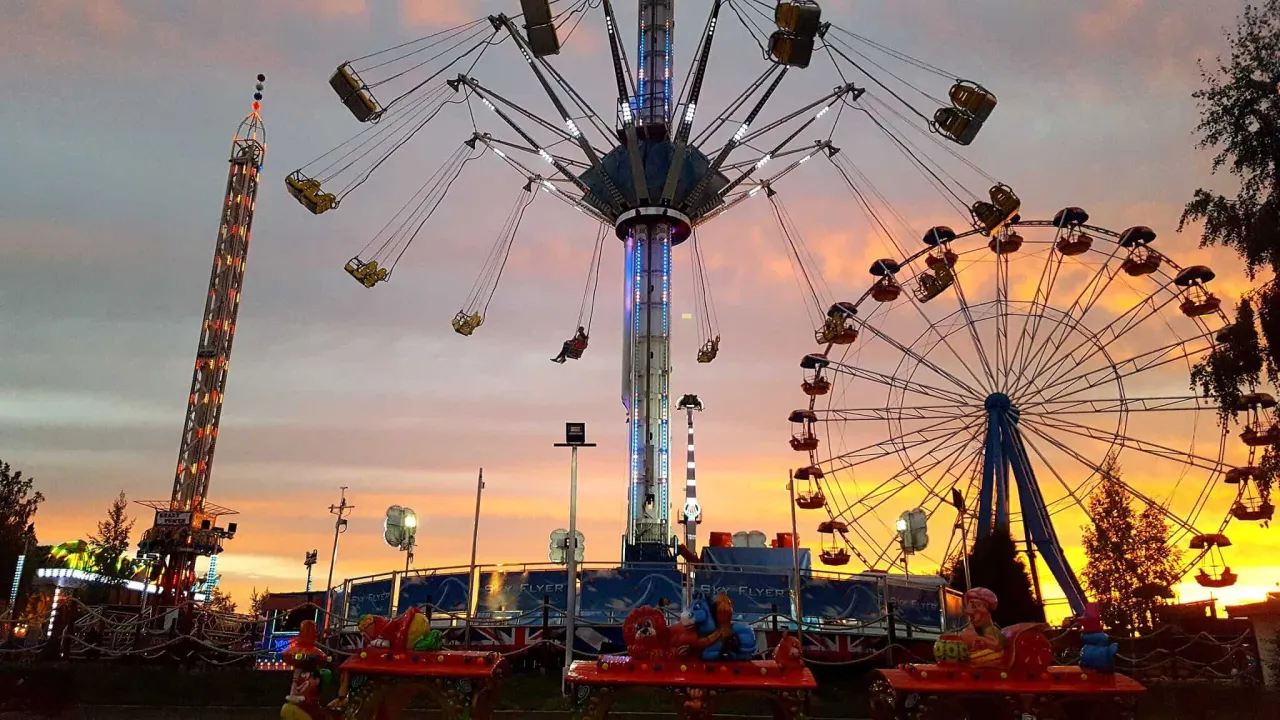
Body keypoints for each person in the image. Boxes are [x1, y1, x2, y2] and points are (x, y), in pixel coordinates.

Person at [957, 586, 1005, 664]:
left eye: (974, 605)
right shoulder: (971, 628)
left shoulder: (989, 629)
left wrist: (980, 639)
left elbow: (997, 644)